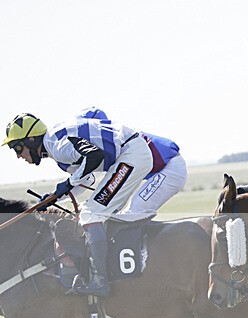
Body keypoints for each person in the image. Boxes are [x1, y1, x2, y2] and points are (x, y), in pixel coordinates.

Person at [3, 111, 174, 296]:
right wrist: (55, 196)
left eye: (18, 148)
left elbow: (94, 156)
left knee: (91, 214)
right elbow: (88, 178)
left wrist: (67, 185)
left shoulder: (56, 145)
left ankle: (100, 280)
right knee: (90, 210)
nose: (19, 156)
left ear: (31, 140)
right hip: (129, 155)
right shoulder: (56, 149)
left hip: (131, 155)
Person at [77, 107, 186, 219]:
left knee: (134, 213)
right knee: (119, 213)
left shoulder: (113, 141)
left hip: (170, 169)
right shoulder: (109, 139)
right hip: (165, 167)